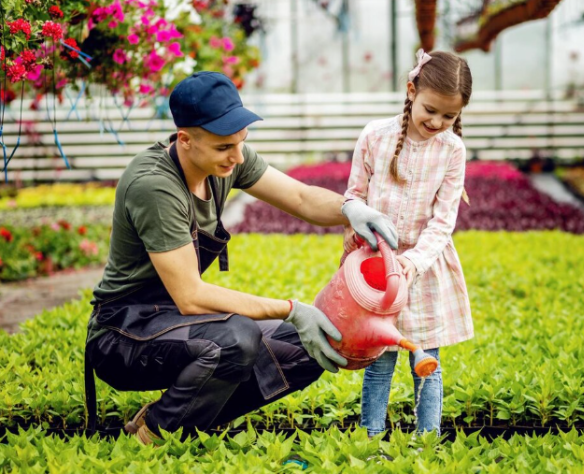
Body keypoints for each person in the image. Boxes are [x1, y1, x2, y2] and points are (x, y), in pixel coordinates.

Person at [84, 71, 398, 445]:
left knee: (312, 343)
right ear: (185, 140)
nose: (236, 156)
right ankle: (154, 434)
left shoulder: (226, 158)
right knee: (236, 338)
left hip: (176, 322)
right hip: (123, 332)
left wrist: (350, 209)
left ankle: (177, 417)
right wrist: (292, 309)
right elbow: (191, 296)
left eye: (241, 142)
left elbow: (300, 198)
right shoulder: (154, 186)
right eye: (224, 147)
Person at [341, 49, 474, 437]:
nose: (437, 122)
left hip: (423, 269)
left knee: (426, 360)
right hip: (375, 266)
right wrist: (356, 226)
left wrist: (413, 262)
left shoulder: (452, 150)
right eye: (430, 110)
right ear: (411, 90)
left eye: (449, 116)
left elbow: (443, 222)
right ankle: (371, 440)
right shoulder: (375, 136)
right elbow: (353, 196)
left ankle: (427, 441)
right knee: (379, 358)